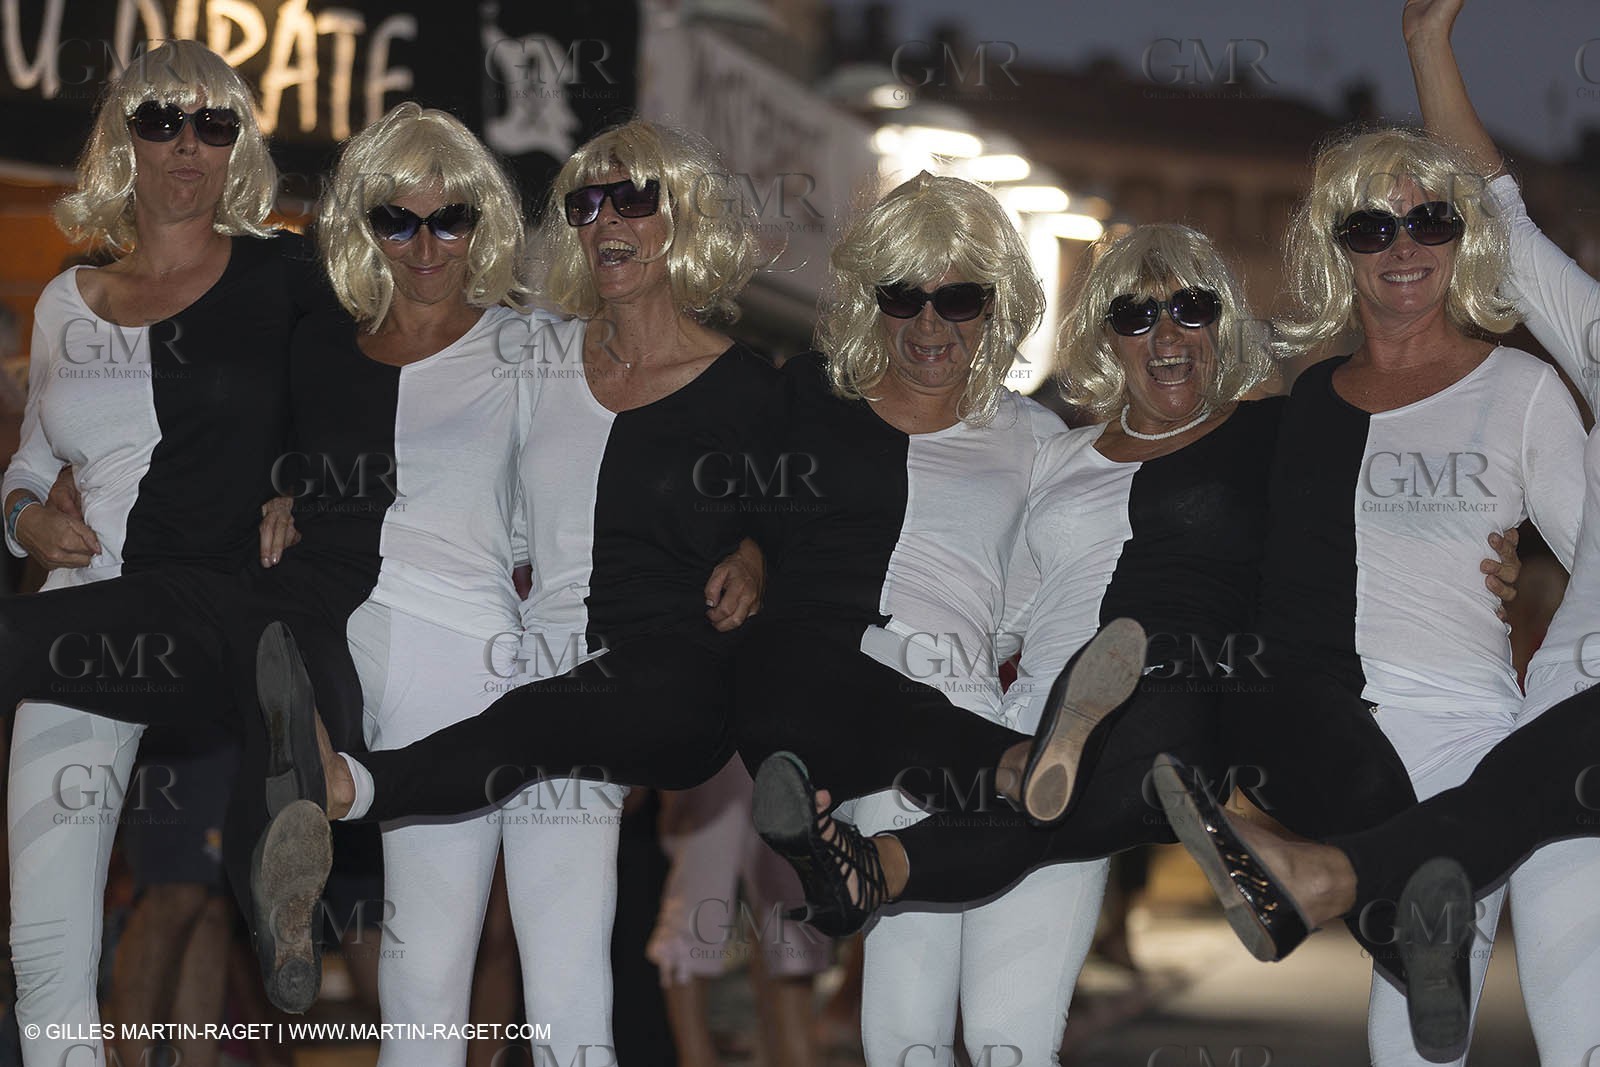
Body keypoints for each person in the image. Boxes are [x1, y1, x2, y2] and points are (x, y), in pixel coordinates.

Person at [261, 118, 774, 1055]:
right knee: (423, 982)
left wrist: (752, 549)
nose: (605, 216)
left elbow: (753, 482)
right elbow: (375, 431)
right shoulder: (544, 352)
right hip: (486, 661)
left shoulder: (565, 351)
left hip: (583, 683)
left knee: (566, 976)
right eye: (586, 202)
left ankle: (339, 792)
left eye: (451, 217)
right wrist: (293, 488)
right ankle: (324, 801)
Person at [1156, 2, 1600, 1062]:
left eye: (1423, 224)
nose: (1403, 246)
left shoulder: (1529, 389)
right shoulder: (1572, 356)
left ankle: (1322, 876)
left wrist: (1509, 568)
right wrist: (1426, 41)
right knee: (1462, 1033)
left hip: (1491, 731)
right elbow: (1500, 207)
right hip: (1541, 720)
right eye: (1371, 227)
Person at [733, 173, 1124, 1067]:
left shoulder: (1034, 439)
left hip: (978, 714)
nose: (929, 324)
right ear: (872, 299)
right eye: (903, 296)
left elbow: (1108, 541)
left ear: (999, 305)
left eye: (960, 297)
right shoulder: (809, 403)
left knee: (1009, 1037)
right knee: (903, 1030)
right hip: (854, 706)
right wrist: (750, 550)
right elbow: (726, 495)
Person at [0, 40, 329, 1064]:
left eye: (212, 124)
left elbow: (359, 413)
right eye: (160, 121)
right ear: (123, 140)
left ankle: (321, 775)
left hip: (209, 603)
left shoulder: (288, 275)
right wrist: (23, 519)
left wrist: (301, 486)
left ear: (238, 146)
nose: (186, 145)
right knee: (49, 945)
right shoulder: (64, 300)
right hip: (78, 620)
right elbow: (26, 462)